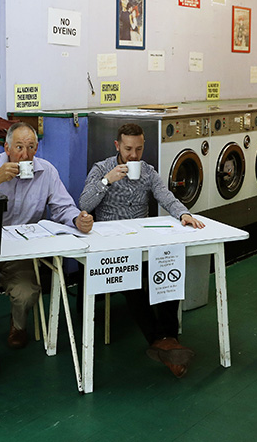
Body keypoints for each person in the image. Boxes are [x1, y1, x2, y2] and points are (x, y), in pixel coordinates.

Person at [0, 122, 93, 386]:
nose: (24, 154)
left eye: (30, 148)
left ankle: (18, 324)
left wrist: (78, 219)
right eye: (18, 147)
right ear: (6, 148)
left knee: (28, 292)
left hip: (20, 251)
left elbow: (64, 207)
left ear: (36, 149)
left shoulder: (47, 172)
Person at [79, 123, 204, 378]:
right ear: (117, 146)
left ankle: (167, 337)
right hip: (111, 242)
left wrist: (184, 213)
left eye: (138, 149)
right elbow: (84, 202)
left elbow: (165, 195)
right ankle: (162, 340)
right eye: (128, 149)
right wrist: (107, 180)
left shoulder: (147, 172)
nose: (133, 155)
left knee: (169, 264)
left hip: (143, 238)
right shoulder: (102, 168)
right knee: (131, 277)